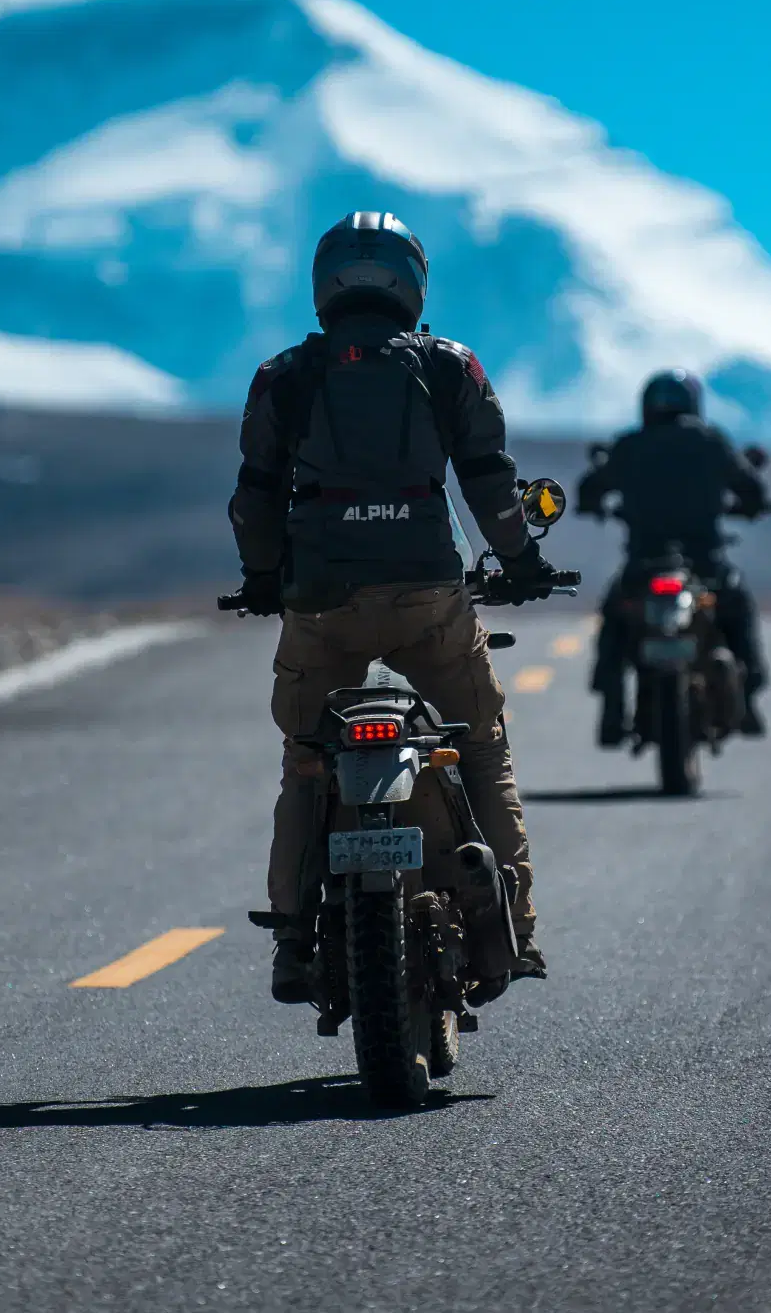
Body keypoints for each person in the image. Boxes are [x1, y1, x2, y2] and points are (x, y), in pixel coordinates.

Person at [229, 210, 555, 1002]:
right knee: (477, 746)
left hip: (321, 604)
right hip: (430, 598)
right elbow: (487, 481)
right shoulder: (451, 366)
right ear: (412, 284)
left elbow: (254, 499)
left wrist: (263, 578)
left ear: (323, 285)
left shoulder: (285, 375)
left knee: (307, 763)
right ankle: (513, 926)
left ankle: (292, 940)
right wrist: (521, 561)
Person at [576, 370, 771, 744]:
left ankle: (612, 711)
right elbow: (749, 484)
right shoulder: (711, 441)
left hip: (645, 562)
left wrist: (594, 503)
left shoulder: (630, 445)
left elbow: (590, 486)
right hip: (705, 562)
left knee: (615, 619)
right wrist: (751, 504)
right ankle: (747, 698)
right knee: (738, 610)